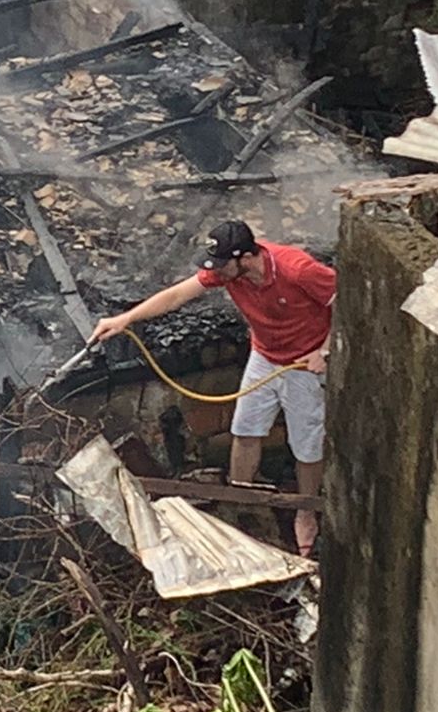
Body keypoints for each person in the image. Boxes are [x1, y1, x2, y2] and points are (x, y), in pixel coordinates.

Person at [91, 219, 333, 555]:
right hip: (264, 355)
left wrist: (325, 349)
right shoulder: (226, 272)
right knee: (245, 431)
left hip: (303, 366)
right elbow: (178, 294)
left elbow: (348, 298)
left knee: (306, 446)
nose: (215, 272)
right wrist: (125, 319)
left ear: (246, 258)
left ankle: (307, 512)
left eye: (222, 264)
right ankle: (239, 501)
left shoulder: (297, 270)